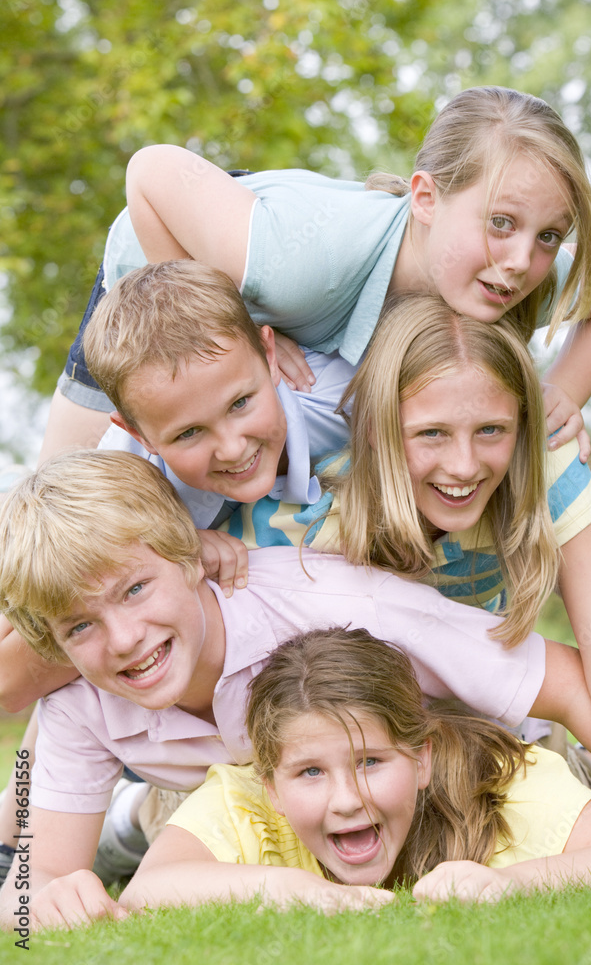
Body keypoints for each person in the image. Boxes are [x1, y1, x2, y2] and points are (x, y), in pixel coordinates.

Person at [0, 449, 591, 931]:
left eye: (135, 589)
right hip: (251, 818)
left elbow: (565, 680)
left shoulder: (340, 604)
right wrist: (45, 901)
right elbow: (27, 883)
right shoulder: (78, 701)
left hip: (458, 770)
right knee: (178, 828)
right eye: (81, 625)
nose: (125, 639)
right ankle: (131, 821)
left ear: (190, 557)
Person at [221, 293, 591, 836]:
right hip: (401, 714)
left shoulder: (545, 464)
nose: (463, 466)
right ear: (377, 430)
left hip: (499, 683)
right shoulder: (313, 520)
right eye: (431, 433)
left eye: (492, 431)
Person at [44, 86, 591, 462]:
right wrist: (230, 321)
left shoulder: (509, 272)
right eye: (500, 223)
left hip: (270, 300)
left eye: (549, 235)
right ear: (425, 200)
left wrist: (561, 394)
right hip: (158, 277)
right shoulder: (297, 265)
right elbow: (152, 173)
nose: (523, 259)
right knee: (65, 497)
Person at [0, 259, 356, 714]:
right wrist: (176, 550)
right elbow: (10, 680)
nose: (231, 448)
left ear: (270, 357)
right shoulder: (124, 476)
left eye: (241, 403)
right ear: (140, 434)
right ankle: (22, 788)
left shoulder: (343, 396)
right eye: (188, 433)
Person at [119, 627, 591, 913]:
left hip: (542, 753)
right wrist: (294, 889)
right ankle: (120, 818)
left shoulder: (501, 783)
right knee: (142, 824)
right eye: (310, 772)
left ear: (421, 758)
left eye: (370, 762)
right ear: (272, 787)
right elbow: (146, 892)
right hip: (168, 795)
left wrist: (505, 884)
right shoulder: (247, 798)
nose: (346, 801)